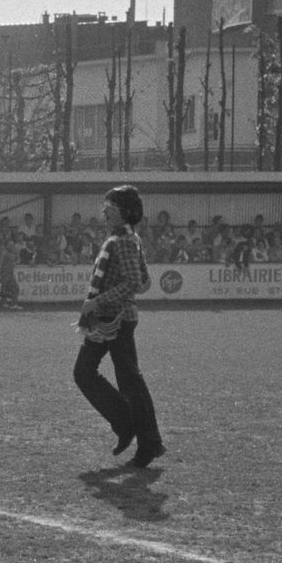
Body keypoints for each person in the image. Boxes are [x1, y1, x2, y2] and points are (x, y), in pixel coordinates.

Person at [74, 184, 164, 469]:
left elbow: (134, 283)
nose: (104, 211)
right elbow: (144, 280)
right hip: (109, 320)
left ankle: (146, 441)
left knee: (124, 380)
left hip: (116, 320)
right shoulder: (127, 239)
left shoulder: (122, 241)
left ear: (123, 212)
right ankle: (128, 426)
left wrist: (98, 301)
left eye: (109, 207)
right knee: (91, 374)